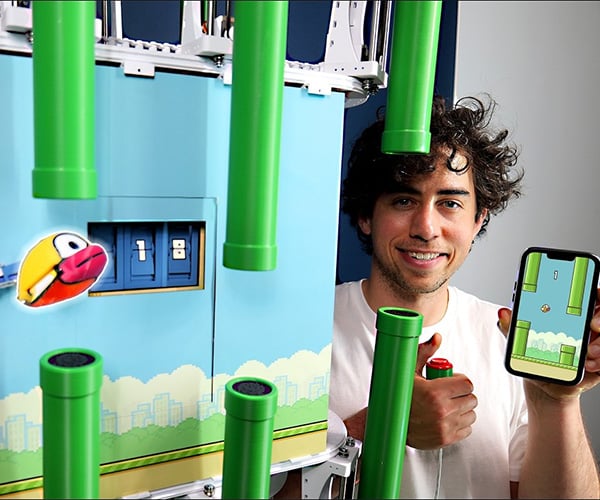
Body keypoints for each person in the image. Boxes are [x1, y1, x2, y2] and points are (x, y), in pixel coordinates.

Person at [329, 94, 600, 499]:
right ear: (366, 216)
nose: (426, 228)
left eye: (450, 203)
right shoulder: (303, 333)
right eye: (403, 200)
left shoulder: (508, 340)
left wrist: (556, 402)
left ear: (478, 220)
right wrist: (381, 423)